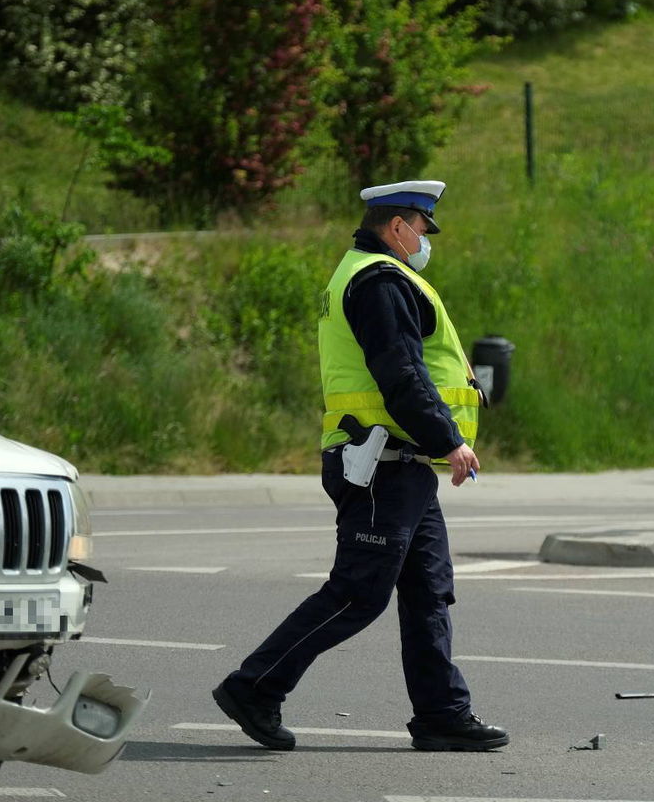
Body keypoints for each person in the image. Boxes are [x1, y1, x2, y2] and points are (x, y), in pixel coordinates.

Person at [212, 179, 509, 752]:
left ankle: (443, 714)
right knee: (359, 592)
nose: (426, 241)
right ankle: (254, 687)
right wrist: (447, 439)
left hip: (403, 465)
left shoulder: (376, 276)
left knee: (429, 591)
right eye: (422, 229)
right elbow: (400, 373)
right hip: (381, 463)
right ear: (398, 226)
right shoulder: (378, 281)